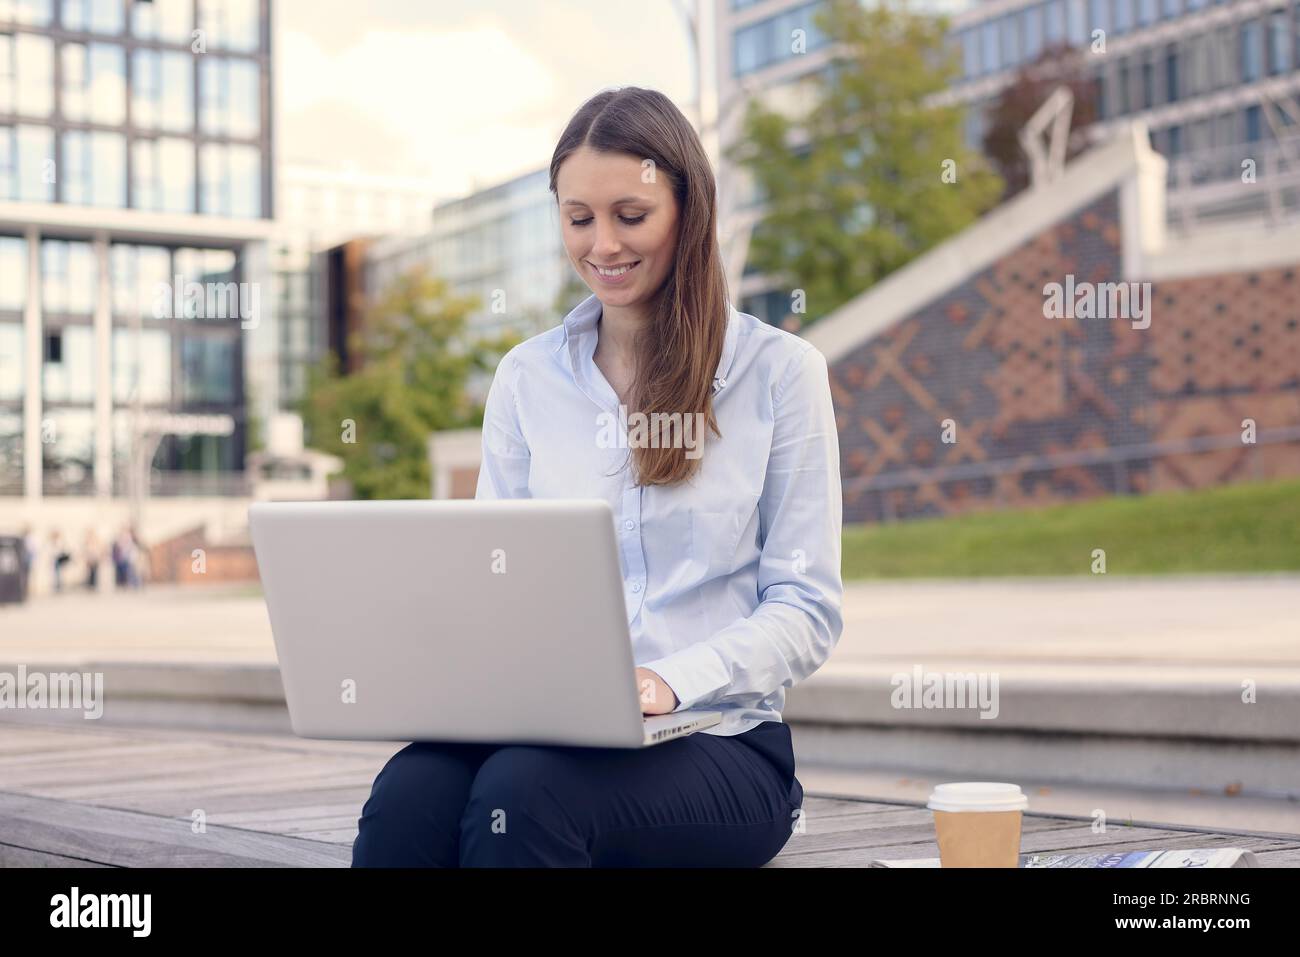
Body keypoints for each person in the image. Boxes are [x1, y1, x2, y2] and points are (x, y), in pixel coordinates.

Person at [352, 87, 844, 868]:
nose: (603, 244)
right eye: (579, 218)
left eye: (631, 215)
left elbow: (807, 608)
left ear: (689, 210)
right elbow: (495, 578)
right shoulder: (525, 378)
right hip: (551, 728)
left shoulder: (779, 374)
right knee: (407, 794)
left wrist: (666, 681)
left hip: (723, 743)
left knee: (524, 794)